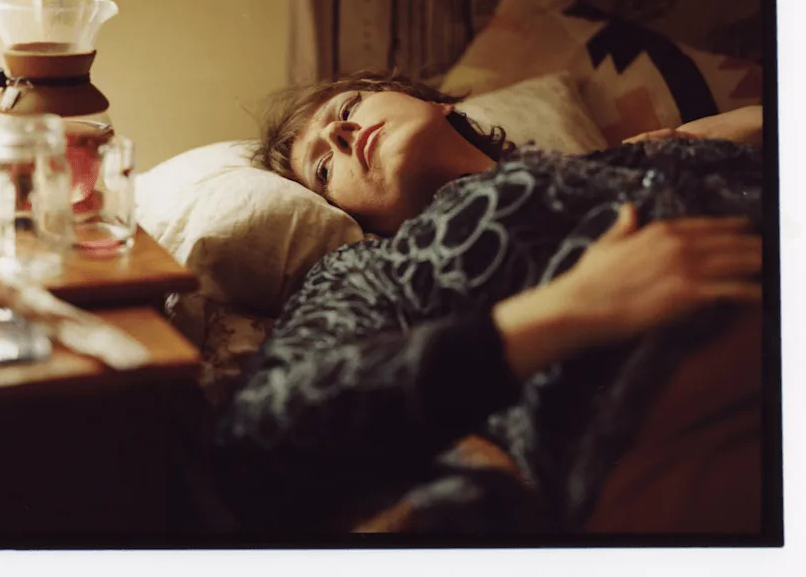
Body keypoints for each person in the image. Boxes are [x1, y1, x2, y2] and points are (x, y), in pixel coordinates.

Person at [213, 70, 764, 535]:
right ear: (339, 210)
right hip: (687, 414)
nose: (338, 131)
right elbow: (262, 429)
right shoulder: (373, 269)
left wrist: (734, 128)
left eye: (350, 105)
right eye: (323, 170)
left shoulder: (634, 158)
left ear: (434, 101)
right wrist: (571, 310)